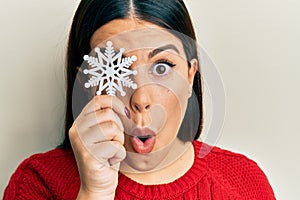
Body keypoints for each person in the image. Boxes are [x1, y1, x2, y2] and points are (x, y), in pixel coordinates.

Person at [4, 0, 276, 199]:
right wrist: (94, 192)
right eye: (116, 69)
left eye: (162, 67)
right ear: (86, 84)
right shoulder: (38, 182)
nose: (141, 98)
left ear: (190, 76)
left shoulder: (245, 183)